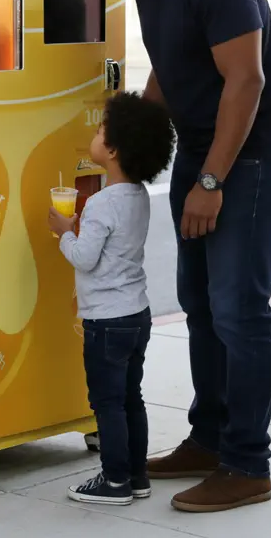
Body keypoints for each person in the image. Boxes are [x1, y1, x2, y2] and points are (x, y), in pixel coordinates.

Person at [77, 0, 271, 513]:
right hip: (202, 153)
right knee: (200, 304)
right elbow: (170, 67)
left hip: (250, 156)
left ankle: (247, 464)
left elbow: (247, 79)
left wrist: (211, 183)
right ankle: (209, 440)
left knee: (238, 310)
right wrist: (132, 138)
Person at [48, 91, 175, 506]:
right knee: (130, 397)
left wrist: (64, 230)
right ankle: (137, 476)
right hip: (136, 315)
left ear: (114, 149)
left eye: (102, 130)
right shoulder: (138, 197)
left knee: (106, 403)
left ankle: (114, 480)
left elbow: (84, 259)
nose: (96, 133)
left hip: (105, 321)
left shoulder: (101, 203)